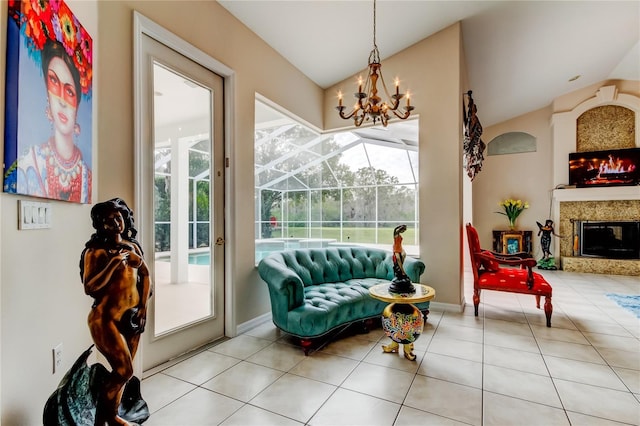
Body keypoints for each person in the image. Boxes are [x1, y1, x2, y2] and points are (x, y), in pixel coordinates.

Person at [80, 199, 151, 425]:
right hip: (105, 320)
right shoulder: (96, 252)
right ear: (100, 225)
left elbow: (146, 276)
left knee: (123, 374)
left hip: (132, 318)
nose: (116, 223)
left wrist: (143, 308)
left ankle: (113, 416)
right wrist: (113, 264)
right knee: (123, 371)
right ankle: (105, 418)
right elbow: (89, 286)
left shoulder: (132, 246)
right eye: (109, 220)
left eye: (118, 217)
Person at [10, 39, 92, 203]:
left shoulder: (87, 179)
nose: (61, 100)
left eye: (69, 91)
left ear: (78, 104)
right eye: (54, 81)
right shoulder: (29, 163)